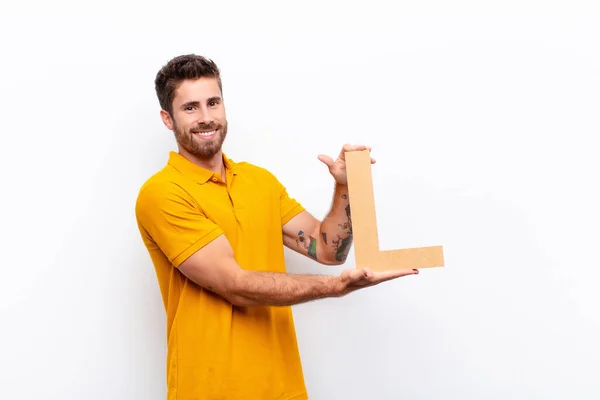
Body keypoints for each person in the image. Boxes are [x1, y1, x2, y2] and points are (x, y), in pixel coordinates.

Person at [135, 54, 419, 400]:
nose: (206, 118)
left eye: (213, 103)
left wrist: (346, 185)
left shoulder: (260, 182)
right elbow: (234, 285)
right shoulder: (163, 193)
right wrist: (335, 289)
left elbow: (328, 249)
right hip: (210, 390)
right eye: (190, 108)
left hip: (283, 388)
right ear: (168, 118)